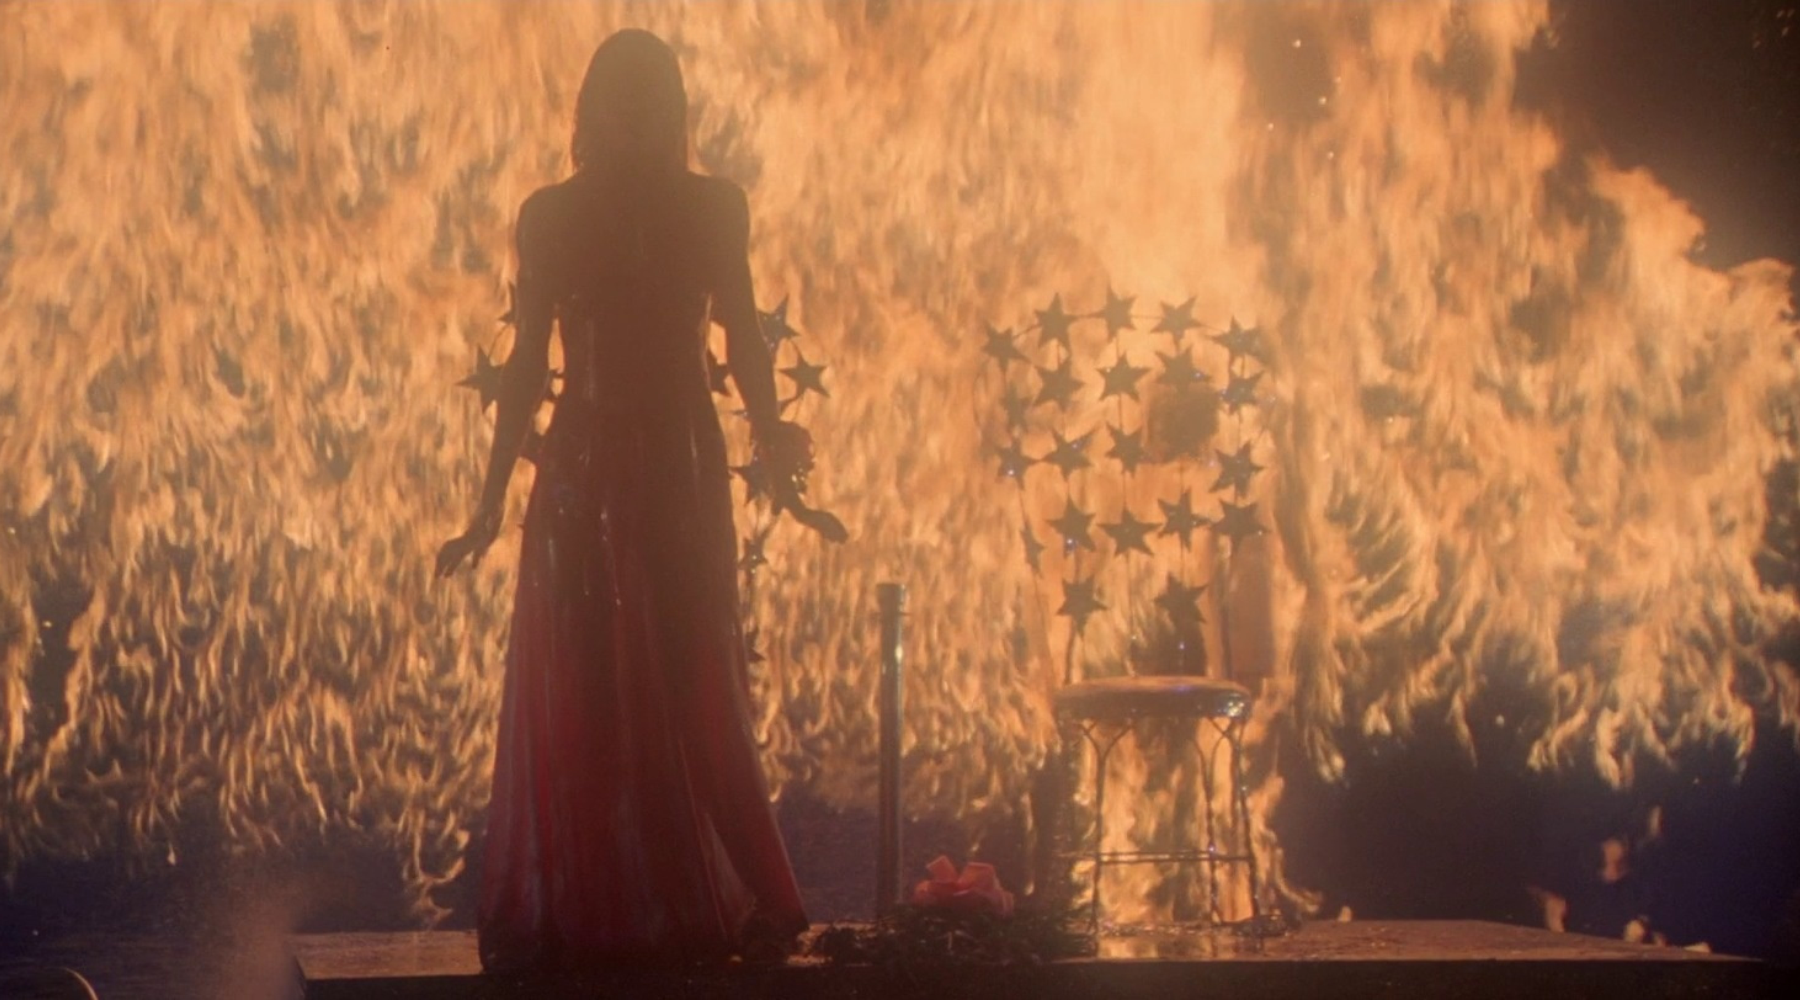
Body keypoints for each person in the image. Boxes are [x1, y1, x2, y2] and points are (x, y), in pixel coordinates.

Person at [435, 29, 810, 971]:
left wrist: (777, 454)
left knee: (690, 670)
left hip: (679, 462)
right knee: (587, 681)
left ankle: (681, 893)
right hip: (584, 468)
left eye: (651, 100)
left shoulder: (714, 208)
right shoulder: (552, 217)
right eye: (621, 99)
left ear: (673, 110)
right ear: (592, 110)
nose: (635, 117)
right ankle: (598, 898)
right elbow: (528, 365)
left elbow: (744, 341)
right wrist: (488, 505)